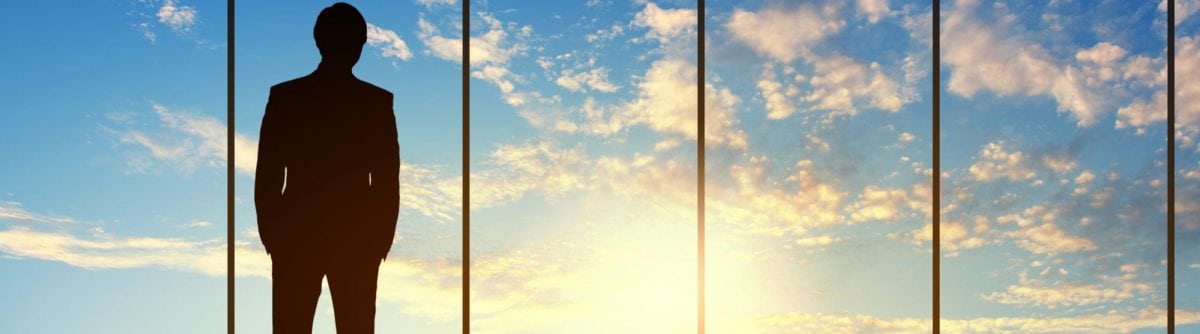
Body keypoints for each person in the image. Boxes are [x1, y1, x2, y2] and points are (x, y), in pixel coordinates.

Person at [254, 3, 399, 333]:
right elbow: (269, 172)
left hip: (338, 237)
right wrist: (273, 233)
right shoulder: (371, 103)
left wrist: (380, 238)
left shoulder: (291, 97)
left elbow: (387, 179)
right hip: (315, 237)